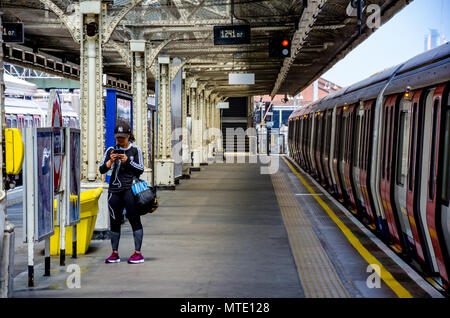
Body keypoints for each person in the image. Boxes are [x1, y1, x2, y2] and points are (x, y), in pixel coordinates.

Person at [99, 121, 145, 264]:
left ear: (128, 136)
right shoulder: (110, 150)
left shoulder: (135, 150)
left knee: (134, 219)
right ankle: (114, 253)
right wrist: (109, 162)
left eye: (123, 137)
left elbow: (140, 169)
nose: (120, 140)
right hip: (114, 190)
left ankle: (138, 253)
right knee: (114, 221)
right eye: (118, 137)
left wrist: (127, 161)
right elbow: (101, 169)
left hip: (129, 190)